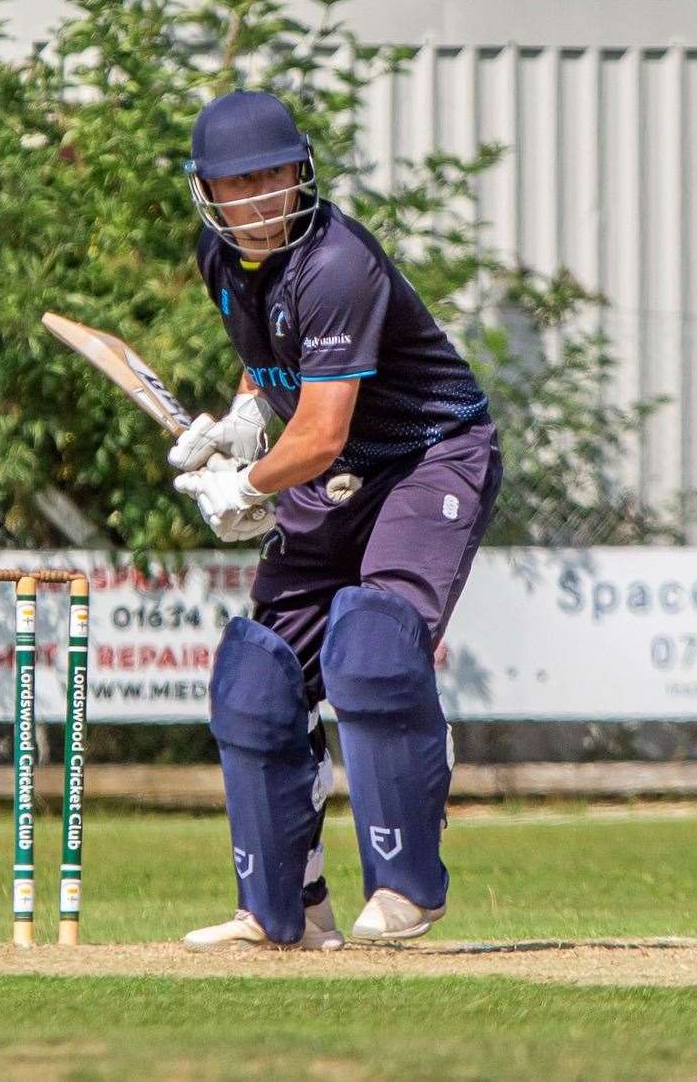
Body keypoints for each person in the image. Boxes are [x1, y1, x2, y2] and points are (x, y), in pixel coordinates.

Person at [171, 90, 502, 950]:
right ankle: (285, 907)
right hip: (337, 468)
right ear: (207, 189)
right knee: (257, 674)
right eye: (239, 183)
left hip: (428, 453)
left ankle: (406, 887)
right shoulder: (218, 259)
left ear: (301, 170)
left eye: (275, 175)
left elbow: (319, 431)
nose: (261, 198)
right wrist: (245, 418)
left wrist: (247, 485)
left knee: (374, 642)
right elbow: (272, 362)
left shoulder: (337, 262)